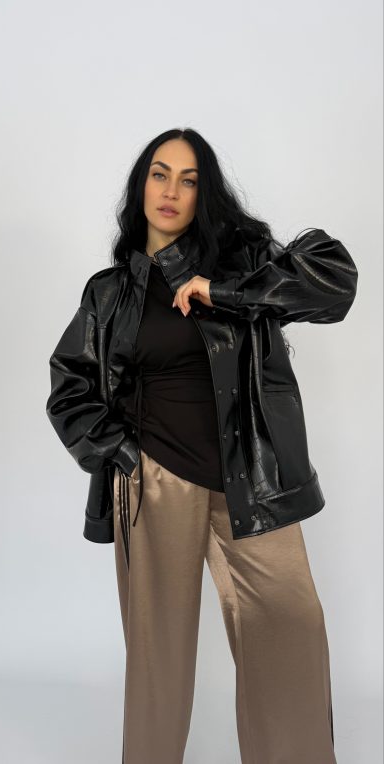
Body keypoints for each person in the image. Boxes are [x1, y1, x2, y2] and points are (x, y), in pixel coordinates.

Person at [46, 127, 358, 764]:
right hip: (153, 484)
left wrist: (224, 293)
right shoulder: (110, 292)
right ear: (141, 187)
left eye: (188, 180)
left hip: (253, 482)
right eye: (160, 174)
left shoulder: (242, 264)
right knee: (158, 665)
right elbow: (69, 386)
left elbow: (335, 280)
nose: (171, 191)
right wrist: (122, 456)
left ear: (203, 194)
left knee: (292, 636)